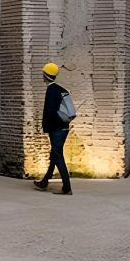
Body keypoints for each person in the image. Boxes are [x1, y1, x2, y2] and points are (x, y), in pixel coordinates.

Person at [34, 63, 74, 195]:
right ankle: (45, 181)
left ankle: (67, 187)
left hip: (56, 129)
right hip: (64, 127)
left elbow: (50, 112)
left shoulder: (51, 90)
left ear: (45, 75)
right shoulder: (61, 89)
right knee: (54, 154)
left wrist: (47, 127)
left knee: (57, 155)